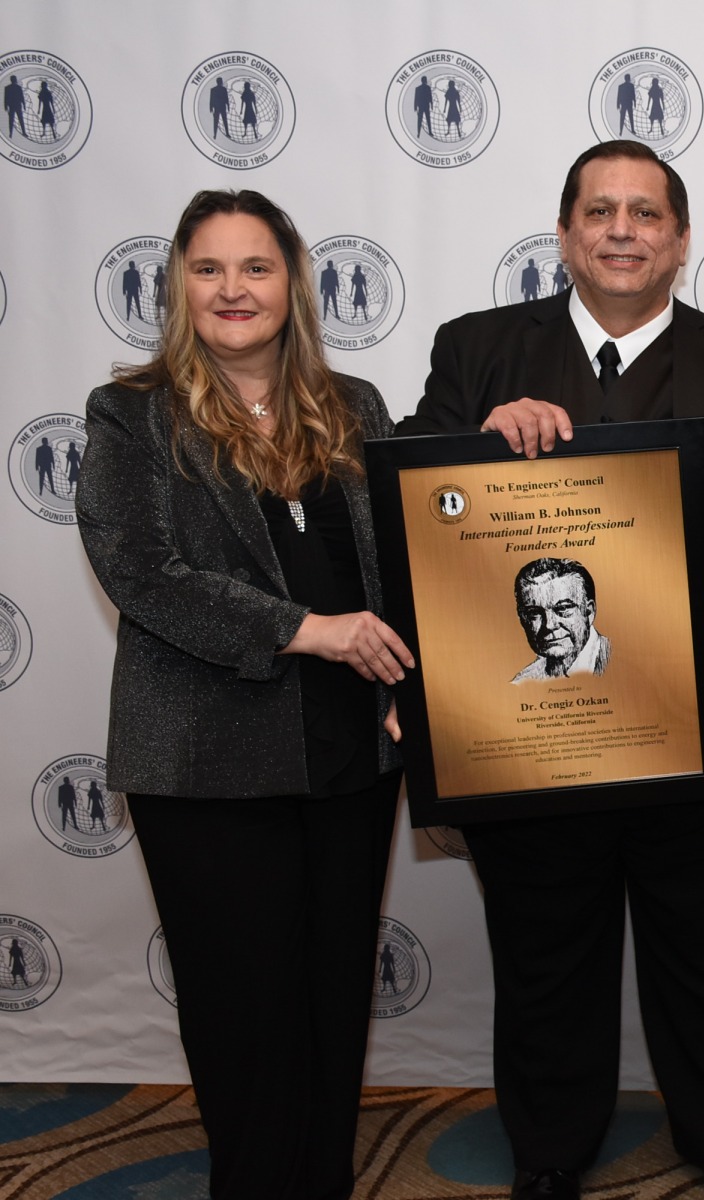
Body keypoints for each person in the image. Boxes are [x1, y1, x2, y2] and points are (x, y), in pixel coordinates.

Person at [396, 139, 704, 1200]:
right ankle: (548, 1152)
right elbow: (406, 515)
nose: (622, 230)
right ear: (566, 233)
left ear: (678, 239)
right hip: (534, 746)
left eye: (645, 213)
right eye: (599, 211)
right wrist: (477, 445)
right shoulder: (478, 353)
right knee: (545, 962)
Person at [75, 188, 411, 1200]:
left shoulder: (352, 407)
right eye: (210, 268)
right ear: (179, 282)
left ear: (293, 279)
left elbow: (399, 565)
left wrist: (422, 684)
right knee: (243, 1015)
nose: (234, 290)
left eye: (256, 267)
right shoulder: (131, 414)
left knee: (331, 1003)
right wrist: (310, 633)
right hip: (208, 765)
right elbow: (139, 569)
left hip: (353, 754)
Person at [511, 557, 610, 681]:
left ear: (589, 612)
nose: (549, 625)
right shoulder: (523, 681)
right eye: (534, 613)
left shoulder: (618, 663)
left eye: (563, 608)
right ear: (522, 618)